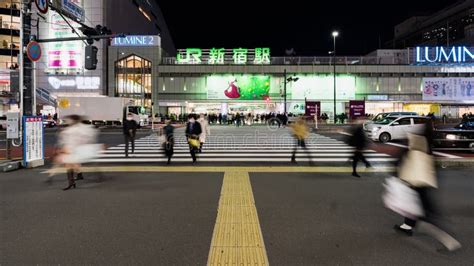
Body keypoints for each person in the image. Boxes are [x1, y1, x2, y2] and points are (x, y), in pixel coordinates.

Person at [393, 120, 461, 251]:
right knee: (414, 205)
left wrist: (396, 172)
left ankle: (449, 241)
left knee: (426, 215)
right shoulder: (429, 142)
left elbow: (404, 157)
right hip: (425, 181)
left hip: (416, 181)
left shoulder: (418, 140)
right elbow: (432, 165)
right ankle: (406, 226)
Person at [54, 115, 99, 190]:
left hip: (75, 149)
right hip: (72, 150)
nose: (68, 121)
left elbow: (86, 136)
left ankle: (73, 182)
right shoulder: (73, 128)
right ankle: (72, 182)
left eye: (70, 120)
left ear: (74, 120)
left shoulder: (76, 128)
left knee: (71, 165)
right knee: (70, 165)